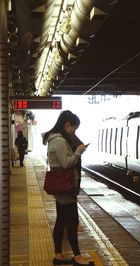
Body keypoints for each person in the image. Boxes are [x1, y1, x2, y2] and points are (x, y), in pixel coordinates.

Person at [42, 110, 93, 266]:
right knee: (72, 222)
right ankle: (77, 257)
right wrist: (78, 151)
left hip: (63, 187)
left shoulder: (57, 139)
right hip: (65, 187)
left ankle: (59, 255)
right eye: (74, 128)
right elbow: (66, 163)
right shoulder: (59, 141)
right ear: (67, 125)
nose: (74, 132)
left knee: (62, 221)